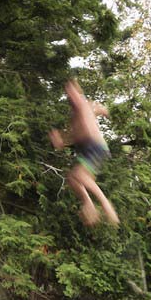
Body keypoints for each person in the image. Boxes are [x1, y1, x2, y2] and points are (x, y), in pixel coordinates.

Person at [48, 79, 120, 227]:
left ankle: (106, 205)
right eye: (68, 93)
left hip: (96, 147)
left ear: (79, 94)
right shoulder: (74, 118)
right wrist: (60, 142)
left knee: (80, 175)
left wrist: (103, 110)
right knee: (72, 178)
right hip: (86, 150)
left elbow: (97, 108)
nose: (71, 96)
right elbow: (73, 137)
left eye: (73, 92)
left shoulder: (86, 104)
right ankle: (88, 203)